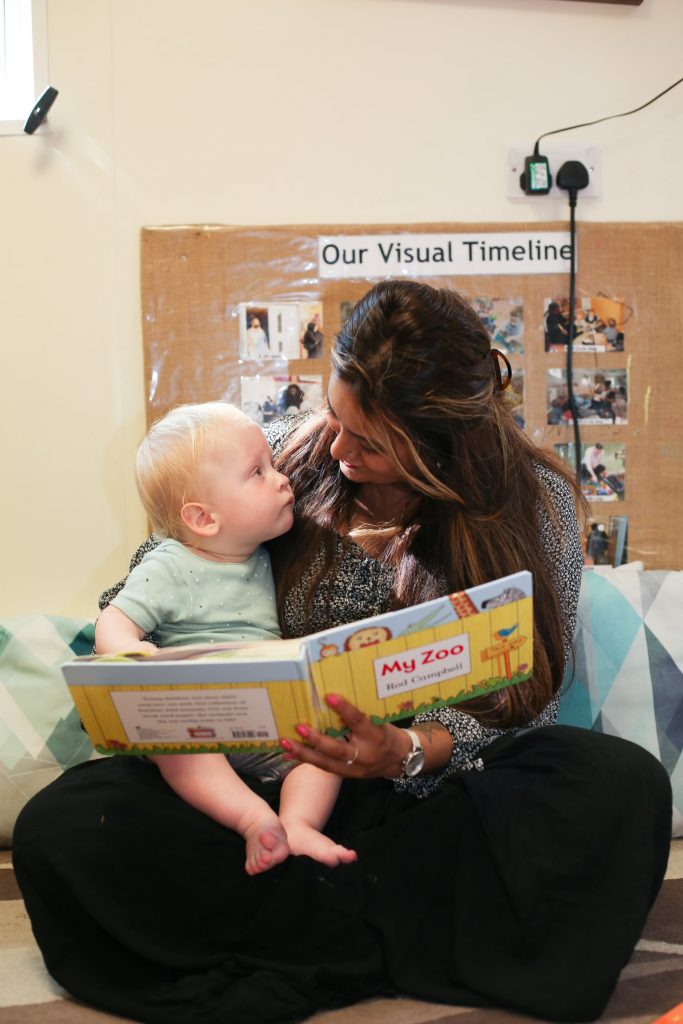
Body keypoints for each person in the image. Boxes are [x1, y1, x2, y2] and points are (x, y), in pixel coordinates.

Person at [13, 281, 671, 1024]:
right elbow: (164, 577)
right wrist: (145, 671)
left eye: (369, 440)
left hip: (423, 802)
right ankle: (398, 940)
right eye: (336, 415)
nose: (337, 447)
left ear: (441, 444)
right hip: (261, 797)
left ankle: (287, 942)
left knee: (616, 785)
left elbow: (528, 700)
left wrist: (402, 751)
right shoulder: (284, 455)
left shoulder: (532, 502)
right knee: (60, 830)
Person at [95, 401, 357, 875]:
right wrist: (136, 656)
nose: (281, 479)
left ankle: (296, 823)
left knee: (326, 746)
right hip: (199, 719)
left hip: (263, 718)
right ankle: (253, 819)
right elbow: (113, 621)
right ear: (203, 519)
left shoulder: (261, 553)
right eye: (258, 472)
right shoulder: (170, 564)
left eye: (274, 465)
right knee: (179, 748)